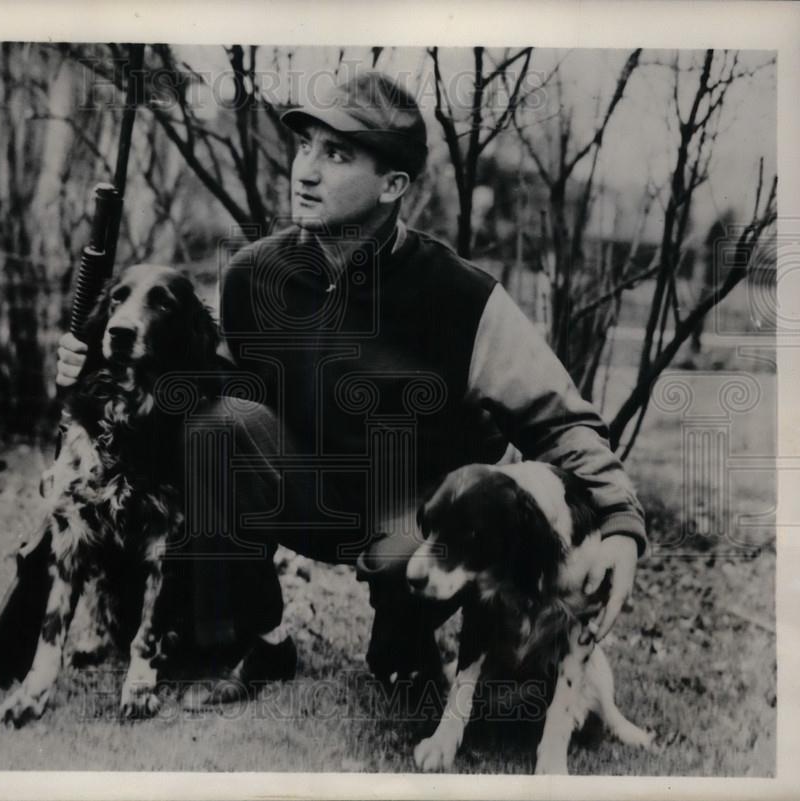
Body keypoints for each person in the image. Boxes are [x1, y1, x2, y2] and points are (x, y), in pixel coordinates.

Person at [56, 71, 646, 706]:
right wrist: (96, 367)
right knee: (213, 428)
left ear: (393, 185)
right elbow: (205, 383)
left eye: (336, 154)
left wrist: (618, 522)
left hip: (420, 506)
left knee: (402, 576)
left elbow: (560, 419)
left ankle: (402, 648)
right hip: (312, 489)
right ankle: (257, 635)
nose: (305, 171)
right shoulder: (255, 275)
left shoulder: (462, 296)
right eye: (305, 147)